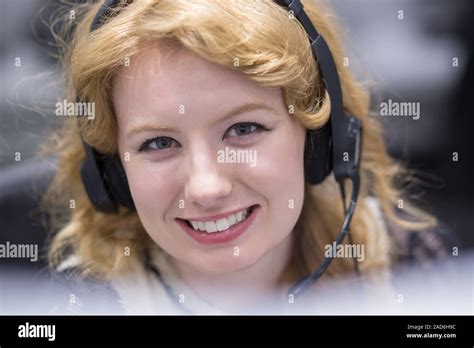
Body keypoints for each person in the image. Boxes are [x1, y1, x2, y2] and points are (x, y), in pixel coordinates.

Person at [41, 0, 453, 314]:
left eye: (243, 130)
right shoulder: (76, 304)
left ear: (319, 139)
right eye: (159, 143)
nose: (207, 187)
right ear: (112, 171)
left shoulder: (409, 270)